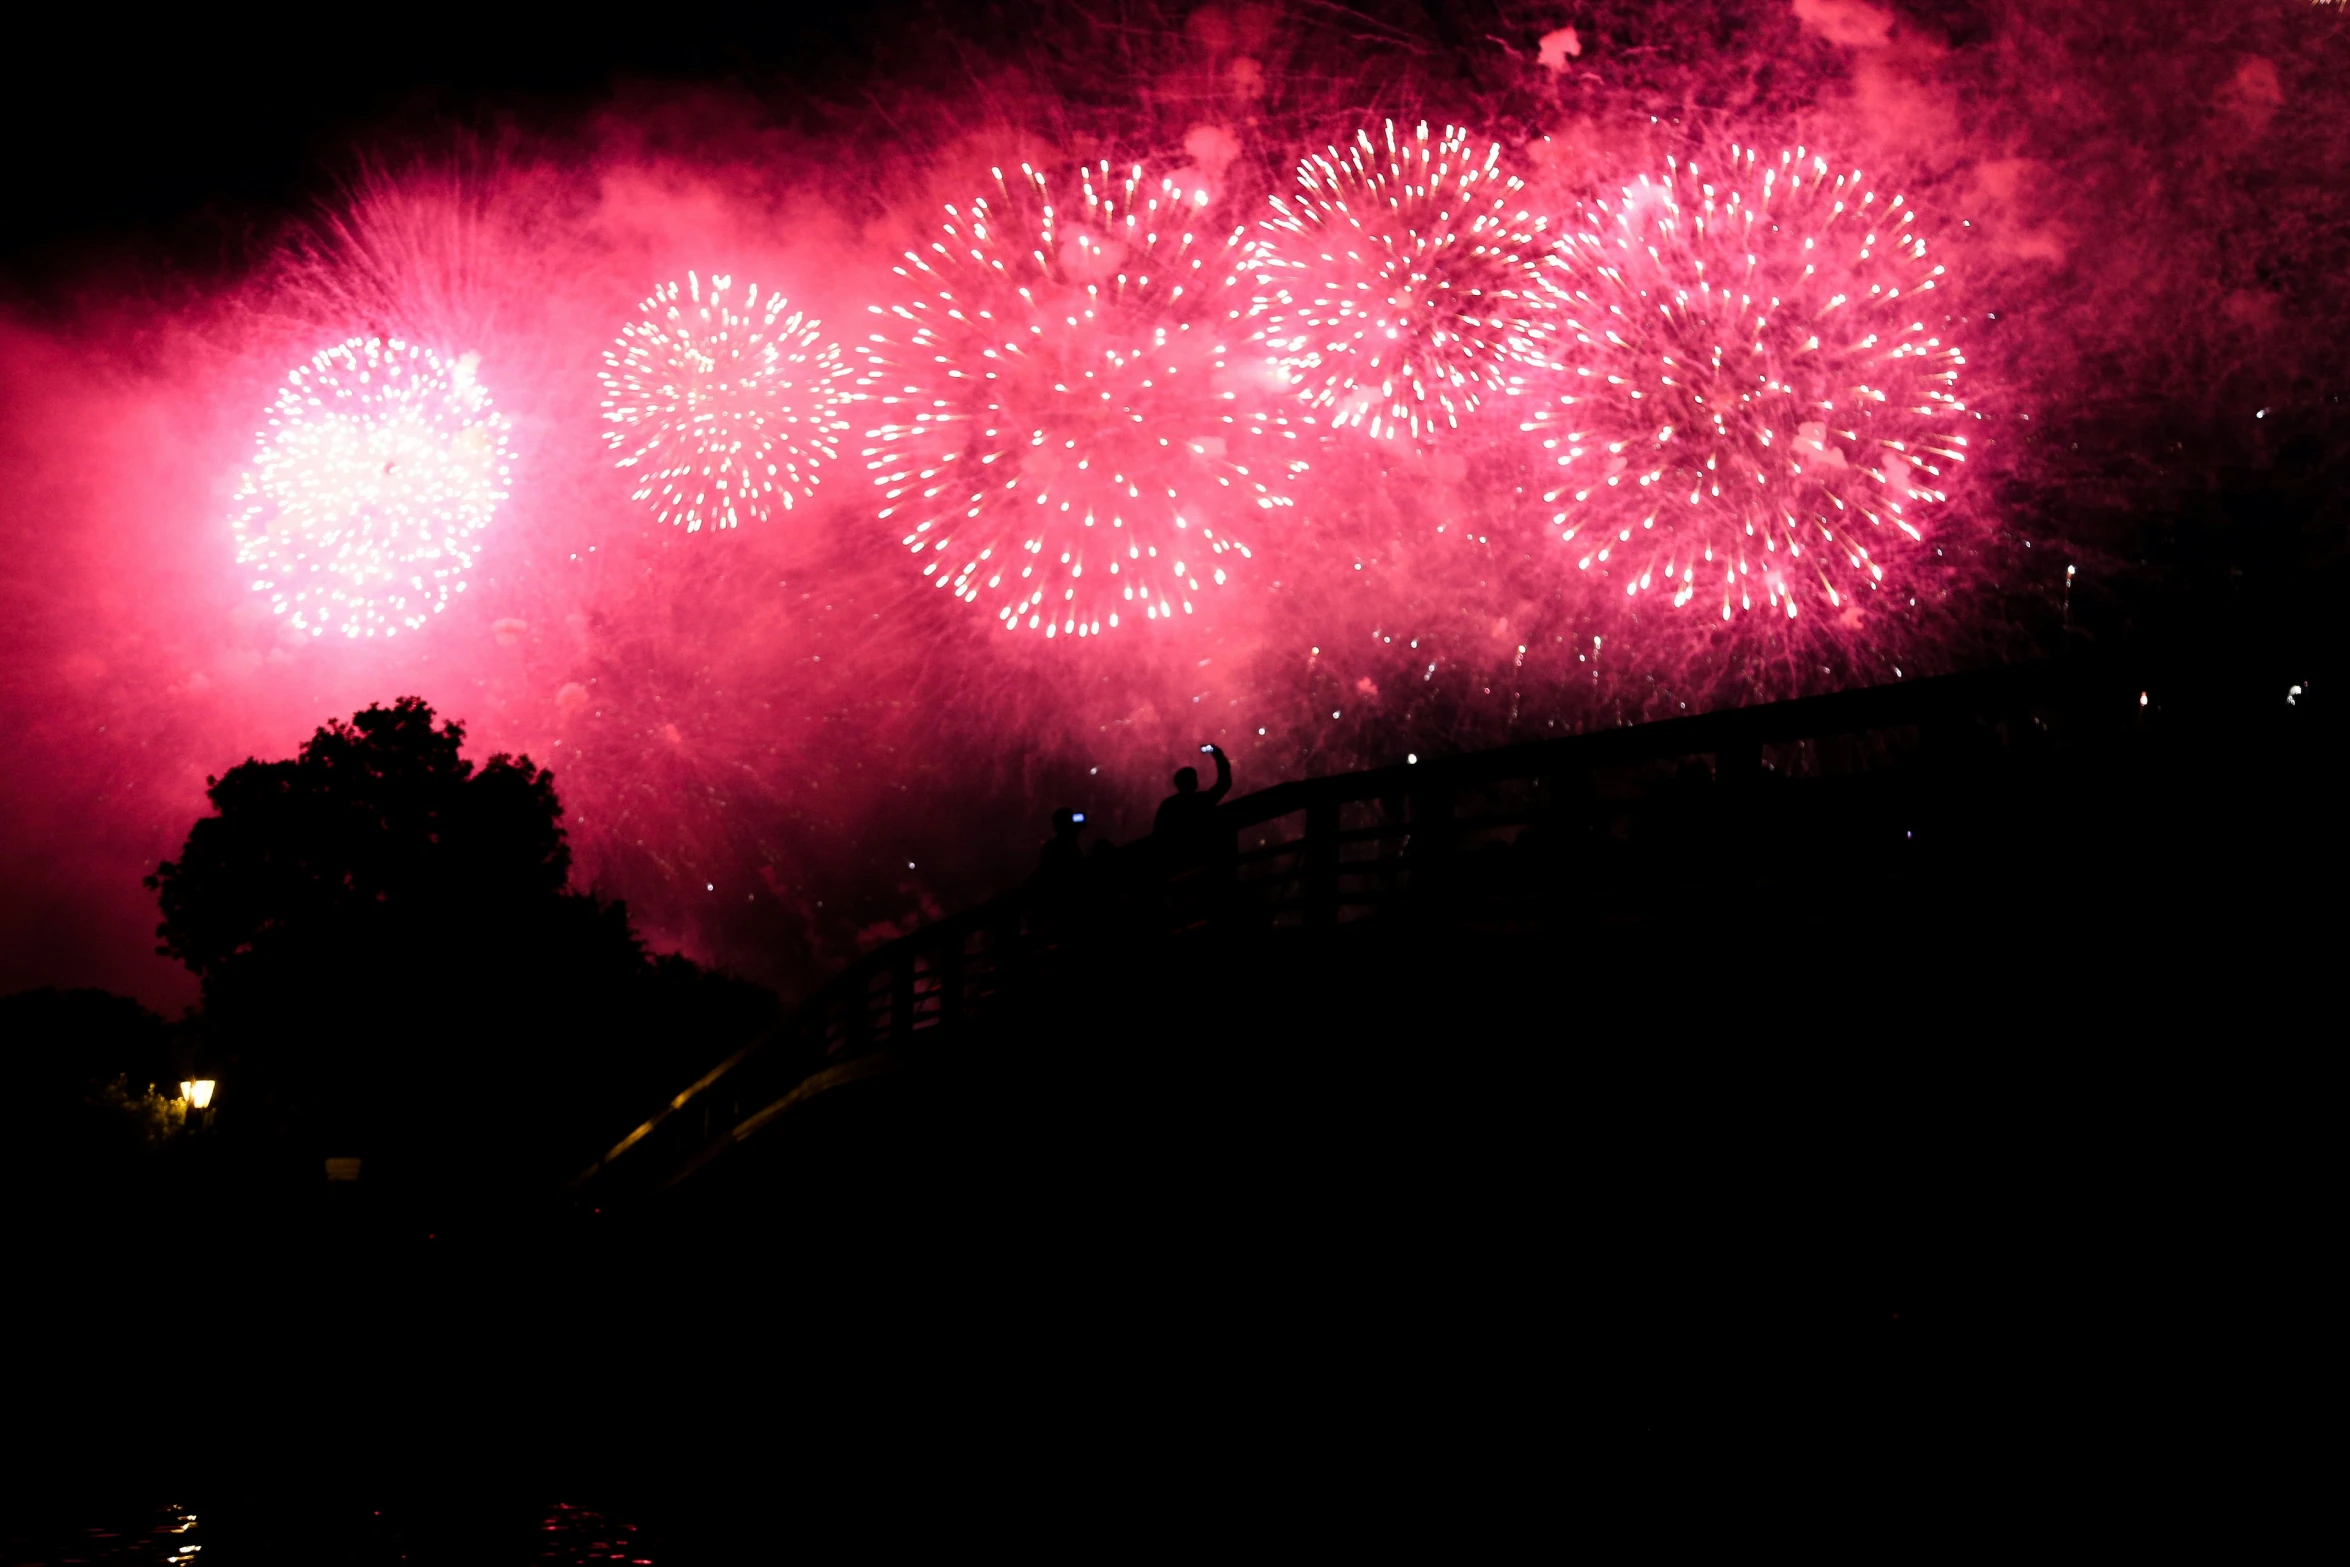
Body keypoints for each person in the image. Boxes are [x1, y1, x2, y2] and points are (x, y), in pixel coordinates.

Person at [1153, 743, 1232, 862]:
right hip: (1203, 855)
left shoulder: (1168, 805)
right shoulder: (1201, 801)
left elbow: (1158, 834)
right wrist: (1217, 754)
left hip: (1175, 860)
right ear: (1194, 782)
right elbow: (1224, 782)